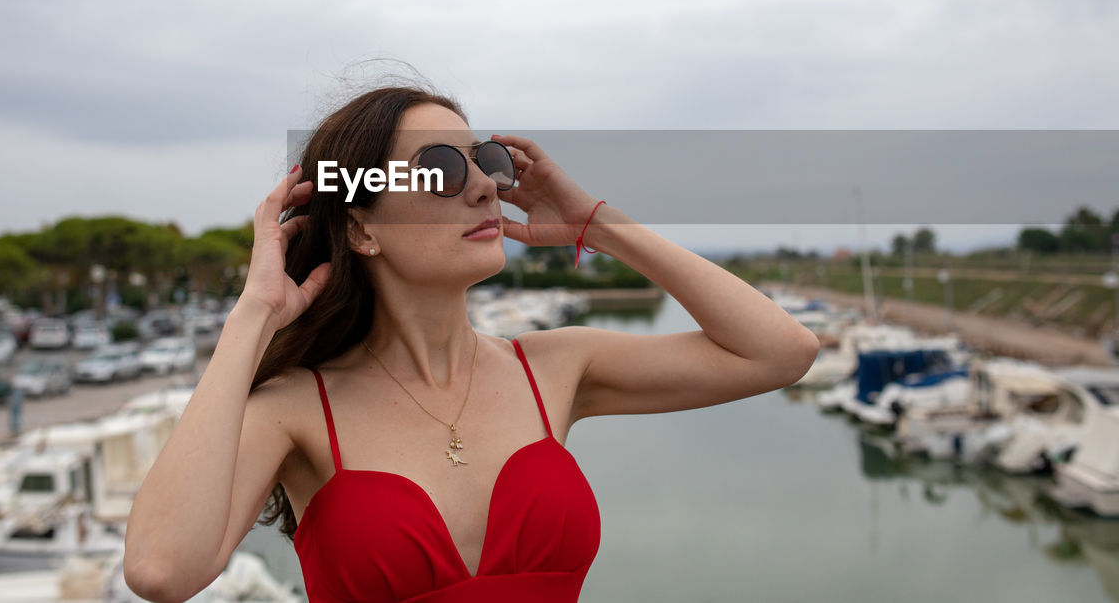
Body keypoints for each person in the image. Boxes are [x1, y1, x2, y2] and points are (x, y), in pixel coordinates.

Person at [123, 83, 820, 603]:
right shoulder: (296, 408)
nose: (486, 186)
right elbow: (161, 570)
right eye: (442, 170)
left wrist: (594, 224)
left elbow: (781, 350)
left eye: (484, 161)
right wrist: (255, 315)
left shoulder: (552, 366)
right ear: (362, 228)